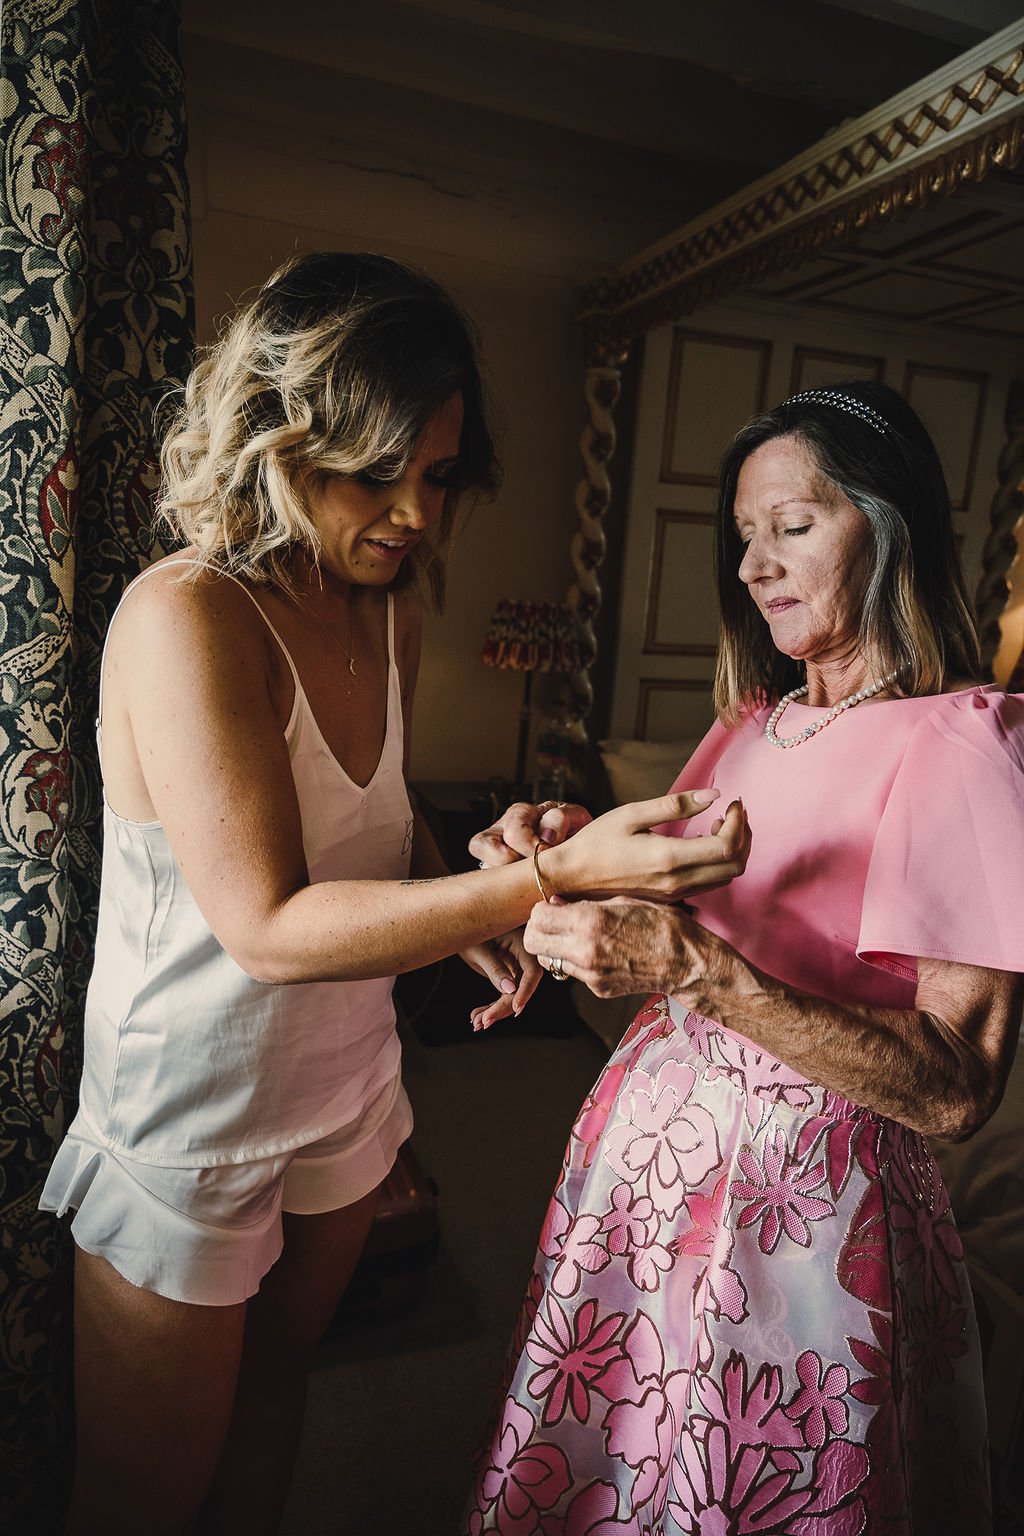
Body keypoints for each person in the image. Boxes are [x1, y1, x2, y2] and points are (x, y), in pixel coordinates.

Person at [38, 251, 752, 1536]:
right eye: (377, 474)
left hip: (346, 1080)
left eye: (433, 475)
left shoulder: (389, 606)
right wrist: (547, 880)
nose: (416, 515)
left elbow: (374, 824)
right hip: (190, 1113)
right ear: (277, 436)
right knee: (139, 1497)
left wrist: (463, 872)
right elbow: (263, 925)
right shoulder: (186, 615)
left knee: (276, 1389)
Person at [464, 380, 1024, 1536]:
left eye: (796, 525)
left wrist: (700, 976)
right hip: (649, 1177)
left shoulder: (960, 745)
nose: (757, 564)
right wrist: (552, 856)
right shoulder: (751, 721)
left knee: (744, 1485)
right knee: (624, 1461)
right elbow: (673, 895)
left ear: (890, 522)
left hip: (811, 1220)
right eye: (744, 537)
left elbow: (956, 1087)